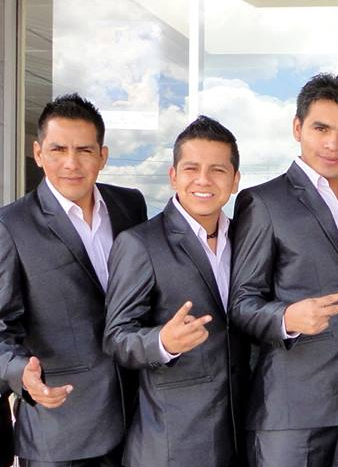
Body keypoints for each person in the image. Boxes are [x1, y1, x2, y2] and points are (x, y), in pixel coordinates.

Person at [230, 74, 338, 467]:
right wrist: (286, 318)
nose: (333, 144)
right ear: (298, 128)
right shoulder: (263, 202)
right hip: (292, 413)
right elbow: (242, 303)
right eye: (321, 128)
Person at [0, 93, 147, 466]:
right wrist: (21, 374)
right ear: (38, 153)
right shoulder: (11, 225)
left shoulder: (130, 206)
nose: (71, 163)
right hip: (61, 432)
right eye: (58, 149)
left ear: (103, 155)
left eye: (84, 150)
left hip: (138, 423)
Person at [103, 115, 248, 467]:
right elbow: (117, 338)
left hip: (242, 434)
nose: (203, 180)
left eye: (217, 170)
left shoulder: (246, 238)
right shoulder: (140, 244)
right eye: (191, 168)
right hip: (173, 444)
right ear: (173, 176)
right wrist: (162, 342)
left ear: (235, 180)